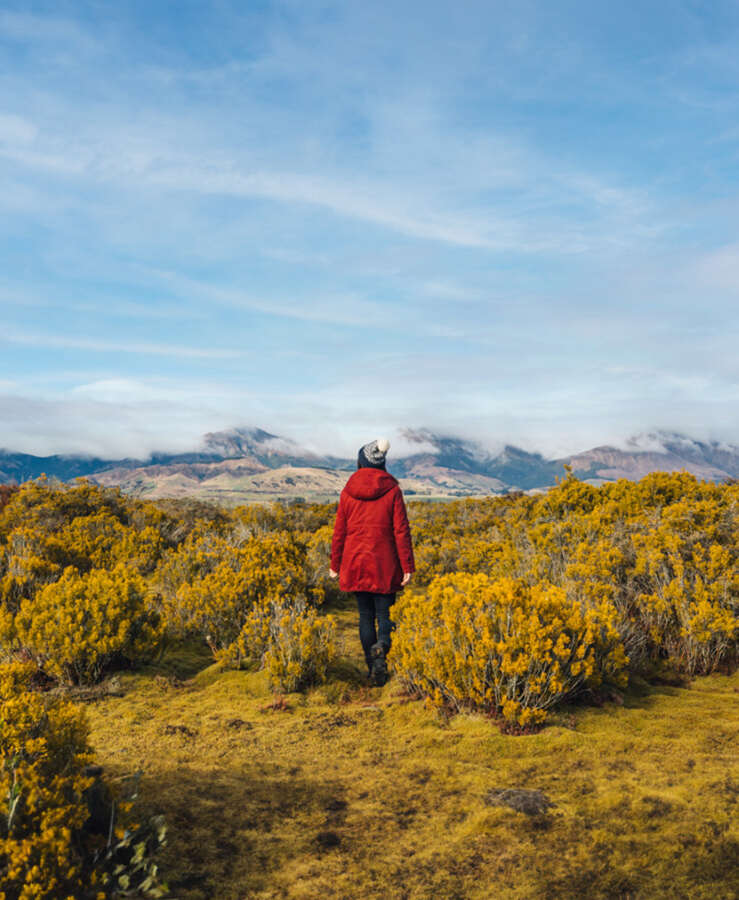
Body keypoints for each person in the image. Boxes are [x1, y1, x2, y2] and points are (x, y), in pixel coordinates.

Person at [329, 438, 415, 686]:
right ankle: (383, 647)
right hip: (385, 563)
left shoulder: (347, 492)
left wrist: (335, 565)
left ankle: (372, 668)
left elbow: (339, 532)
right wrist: (407, 565)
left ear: (360, 462)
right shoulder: (393, 491)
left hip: (355, 563)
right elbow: (401, 531)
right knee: (385, 614)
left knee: (365, 616)